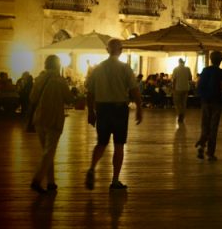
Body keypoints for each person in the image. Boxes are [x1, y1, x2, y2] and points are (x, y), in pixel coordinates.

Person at [84, 38, 143, 191]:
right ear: (121, 50)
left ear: (107, 50)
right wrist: (139, 109)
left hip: (102, 109)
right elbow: (134, 90)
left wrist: (91, 112)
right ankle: (115, 180)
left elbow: (90, 93)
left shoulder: (98, 69)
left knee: (101, 143)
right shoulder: (125, 68)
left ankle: (92, 168)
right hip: (119, 110)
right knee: (119, 145)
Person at [29, 54, 74, 193]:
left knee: (47, 152)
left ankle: (51, 182)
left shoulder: (39, 79)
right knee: (49, 151)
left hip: (39, 119)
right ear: (58, 65)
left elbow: (32, 98)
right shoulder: (60, 81)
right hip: (54, 119)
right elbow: (68, 99)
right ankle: (37, 179)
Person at [195, 51, 222, 161]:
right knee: (213, 127)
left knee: (205, 125)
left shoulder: (205, 70)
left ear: (211, 60)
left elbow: (198, 84)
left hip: (205, 101)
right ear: (221, 60)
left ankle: (201, 146)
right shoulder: (221, 72)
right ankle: (210, 153)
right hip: (216, 101)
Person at [171, 58, 192, 125]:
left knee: (177, 103)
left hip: (178, 88)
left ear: (178, 62)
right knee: (184, 103)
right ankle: (182, 115)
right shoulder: (187, 69)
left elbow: (174, 80)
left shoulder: (175, 69)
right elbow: (190, 78)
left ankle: (180, 113)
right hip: (186, 88)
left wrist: (173, 89)